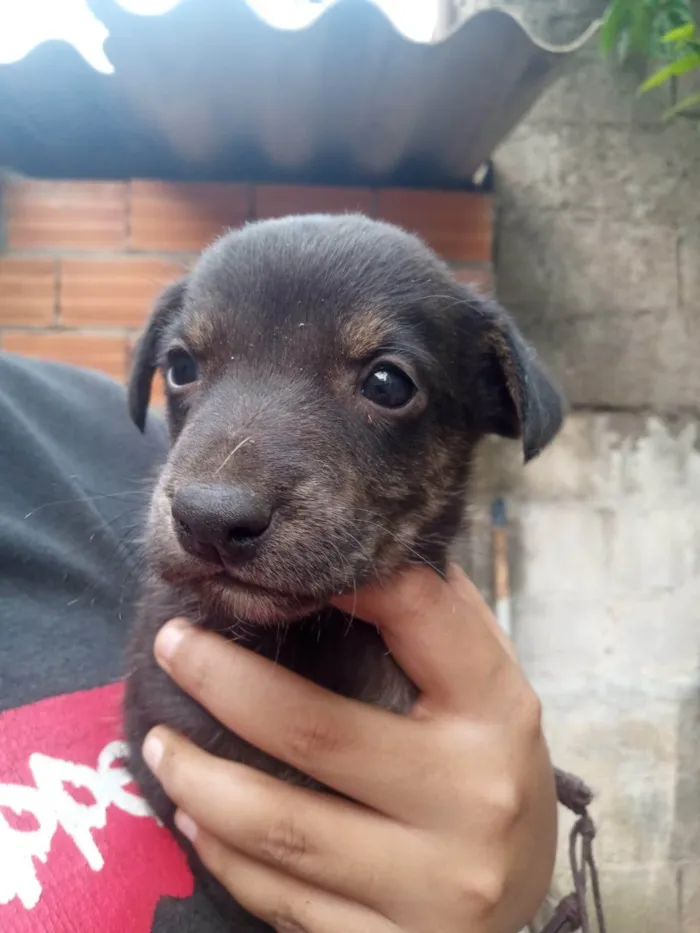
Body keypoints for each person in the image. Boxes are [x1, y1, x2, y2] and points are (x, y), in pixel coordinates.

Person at [0, 352, 557, 933]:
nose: (215, 494)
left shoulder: (81, 425)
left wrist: (519, 873)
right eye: (188, 369)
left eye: (384, 385)